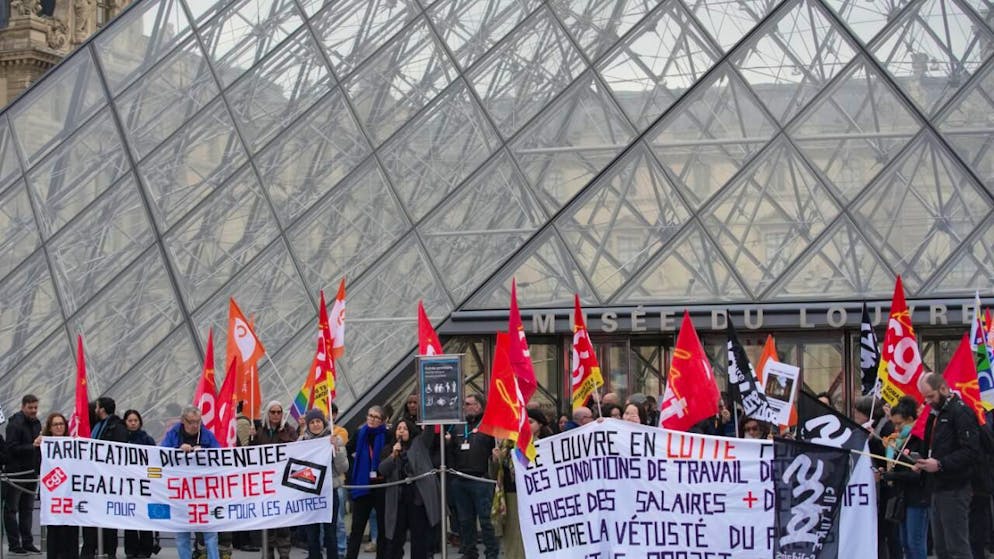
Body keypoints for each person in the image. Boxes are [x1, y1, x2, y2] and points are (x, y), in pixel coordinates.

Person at [915, 372, 980, 559]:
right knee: (941, 547)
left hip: (955, 487)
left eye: (931, 396)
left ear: (943, 388)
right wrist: (922, 461)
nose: (928, 402)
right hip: (937, 485)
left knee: (956, 546)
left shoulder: (960, 412)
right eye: (925, 398)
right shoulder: (935, 414)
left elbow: (970, 451)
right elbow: (932, 445)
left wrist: (941, 464)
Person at [161, 407, 221, 559]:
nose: (195, 425)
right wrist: (176, 449)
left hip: (203, 493)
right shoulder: (173, 434)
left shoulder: (207, 435)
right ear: (183, 421)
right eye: (191, 422)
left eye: (198, 422)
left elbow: (219, 455)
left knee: (211, 534)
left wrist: (205, 451)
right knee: (182, 535)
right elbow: (161, 453)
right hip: (181, 493)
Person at [446, 394, 498, 559]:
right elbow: (450, 453)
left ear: (479, 406)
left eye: (468, 404)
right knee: (465, 520)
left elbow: (497, 449)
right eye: (464, 404)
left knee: (486, 520)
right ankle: (469, 552)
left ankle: (491, 553)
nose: (465, 407)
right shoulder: (458, 427)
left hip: (480, 479)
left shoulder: (489, 426)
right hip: (460, 479)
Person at [379, 418, 439, 559]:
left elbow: (429, 432)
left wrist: (427, 414)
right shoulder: (389, 448)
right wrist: (393, 455)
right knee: (396, 538)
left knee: (418, 537)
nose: (401, 431)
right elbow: (382, 470)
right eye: (399, 428)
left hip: (416, 499)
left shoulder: (419, 444)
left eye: (405, 429)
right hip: (398, 500)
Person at [498, 409, 550, 559]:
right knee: (514, 535)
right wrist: (496, 460)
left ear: (540, 425)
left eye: (530, 422)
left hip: (539, 496)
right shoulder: (508, 444)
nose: (525, 425)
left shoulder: (547, 443)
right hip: (514, 495)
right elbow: (498, 474)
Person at [81, 397, 130, 559]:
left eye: (97, 407)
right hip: (97, 477)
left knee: (108, 517)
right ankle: (93, 547)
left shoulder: (117, 427)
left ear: (101, 409)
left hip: (109, 479)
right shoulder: (100, 425)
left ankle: (109, 550)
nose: (95, 409)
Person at [881, 396, 929, 559]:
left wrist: (894, 475)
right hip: (902, 497)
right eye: (894, 424)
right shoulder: (899, 441)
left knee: (915, 543)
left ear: (909, 420)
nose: (896, 428)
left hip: (918, 497)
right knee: (905, 543)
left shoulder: (919, 438)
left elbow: (918, 473)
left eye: (899, 424)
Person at [252, 401, 298, 559]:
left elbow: (297, 449)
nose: (276, 415)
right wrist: (252, 438)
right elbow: (251, 455)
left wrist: (284, 433)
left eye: (279, 412)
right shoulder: (259, 431)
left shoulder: (289, 430)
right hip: (266, 483)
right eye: (273, 412)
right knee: (268, 522)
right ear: (268, 413)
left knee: (283, 523)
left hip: (283, 483)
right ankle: (268, 553)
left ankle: (284, 554)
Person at [300, 409, 347, 559]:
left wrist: (336, 451)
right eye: (312, 422)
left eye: (318, 421)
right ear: (308, 425)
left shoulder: (335, 440)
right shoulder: (301, 442)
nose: (316, 425)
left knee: (331, 531)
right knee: (312, 533)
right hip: (310, 493)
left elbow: (343, 468)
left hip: (330, 491)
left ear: (323, 422)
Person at [346, 406, 391, 559]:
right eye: (370, 415)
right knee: (357, 528)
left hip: (382, 485)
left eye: (376, 417)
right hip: (363, 485)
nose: (372, 419)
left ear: (383, 420)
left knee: (383, 528)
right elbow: (347, 451)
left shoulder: (387, 434)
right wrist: (354, 470)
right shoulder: (360, 433)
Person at [4, 394, 41, 555]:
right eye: (30, 407)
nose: (33, 410)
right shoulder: (15, 424)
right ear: (23, 406)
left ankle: (27, 542)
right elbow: (11, 448)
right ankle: (14, 544)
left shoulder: (36, 422)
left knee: (27, 509)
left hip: (31, 472)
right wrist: (32, 446)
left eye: (35, 407)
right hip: (16, 473)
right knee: (12, 509)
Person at [43, 413, 78, 559]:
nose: (59, 427)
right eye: (55, 424)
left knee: (71, 532)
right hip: (53, 498)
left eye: (61, 424)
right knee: (54, 531)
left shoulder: (74, 445)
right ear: (50, 428)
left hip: (70, 497)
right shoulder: (44, 445)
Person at [122, 410, 156, 559]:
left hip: (143, 484)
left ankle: (145, 548)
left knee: (143, 516)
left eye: (135, 420)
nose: (133, 423)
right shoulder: (121, 440)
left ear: (140, 422)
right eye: (130, 421)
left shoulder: (147, 439)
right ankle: (131, 548)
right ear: (125, 422)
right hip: (127, 483)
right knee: (129, 515)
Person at [329, 403, 348, 559]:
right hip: (320, 485)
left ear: (334, 415)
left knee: (339, 521)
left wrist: (335, 442)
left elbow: (342, 442)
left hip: (336, 483)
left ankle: (341, 549)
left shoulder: (340, 432)